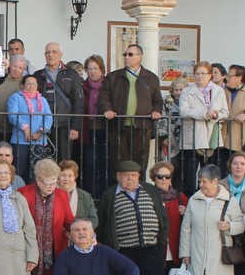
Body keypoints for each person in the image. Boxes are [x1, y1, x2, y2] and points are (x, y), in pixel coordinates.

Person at [97, 160, 169, 275]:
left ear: (139, 176)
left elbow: (162, 217)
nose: (130, 179)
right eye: (126, 176)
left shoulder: (150, 190)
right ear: (118, 177)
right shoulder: (109, 195)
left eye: (134, 176)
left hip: (151, 247)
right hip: (124, 250)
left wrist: (160, 242)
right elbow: (103, 223)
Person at [179, 164, 245, 275]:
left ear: (215, 181)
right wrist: (185, 253)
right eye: (200, 181)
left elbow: (241, 224)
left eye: (204, 181)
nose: (201, 185)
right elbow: (186, 228)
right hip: (198, 251)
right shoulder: (194, 200)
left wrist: (229, 226)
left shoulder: (229, 200)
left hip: (220, 252)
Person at [18, 159, 74, 275]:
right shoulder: (23, 194)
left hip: (53, 252)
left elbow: (69, 220)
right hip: (28, 252)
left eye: (54, 182)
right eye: (46, 183)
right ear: (38, 180)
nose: (51, 186)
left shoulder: (61, 196)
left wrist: (81, 231)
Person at [99, 43, 163, 174]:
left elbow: (158, 100)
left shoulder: (151, 78)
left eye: (130, 54)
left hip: (142, 127)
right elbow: (104, 97)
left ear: (140, 57)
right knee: (118, 162)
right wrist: (107, 110)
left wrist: (156, 111)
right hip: (118, 126)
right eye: (125, 54)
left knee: (140, 162)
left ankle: (139, 189)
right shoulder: (113, 77)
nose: (126, 57)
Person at [150, 160, 188, 275]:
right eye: (160, 177)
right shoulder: (149, 197)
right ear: (154, 178)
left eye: (167, 176)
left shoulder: (180, 198)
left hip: (175, 250)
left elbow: (191, 222)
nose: (164, 180)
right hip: (157, 250)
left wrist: (185, 213)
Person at [179, 61, 229, 190]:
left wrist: (215, 115)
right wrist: (204, 114)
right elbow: (184, 111)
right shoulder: (187, 91)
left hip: (212, 135)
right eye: (197, 73)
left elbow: (225, 112)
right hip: (193, 135)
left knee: (210, 172)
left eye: (203, 73)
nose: (200, 76)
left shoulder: (218, 91)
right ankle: (190, 198)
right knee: (190, 174)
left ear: (209, 75)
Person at [33, 42, 84, 162]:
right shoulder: (38, 75)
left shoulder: (72, 75)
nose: (50, 55)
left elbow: (79, 102)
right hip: (43, 126)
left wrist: (75, 127)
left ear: (61, 54)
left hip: (64, 124)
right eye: (47, 52)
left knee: (64, 160)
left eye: (54, 52)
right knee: (44, 159)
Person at [7, 74, 53, 182]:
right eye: (28, 83)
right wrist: (25, 128)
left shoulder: (42, 100)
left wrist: (41, 132)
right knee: (19, 170)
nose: (31, 86)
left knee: (36, 171)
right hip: (20, 141)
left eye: (33, 84)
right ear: (22, 85)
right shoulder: (16, 98)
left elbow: (48, 118)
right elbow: (13, 115)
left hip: (39, 141)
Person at [79, 54, 108, 196]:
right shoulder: (82, 86)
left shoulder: (108, 86)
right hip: (88, 129)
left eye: (95, 68)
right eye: (89, 68)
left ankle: (102, 195)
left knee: (104, 163)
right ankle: (90, 195)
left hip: (106, 129)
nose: (92, 72)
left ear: (101, 69)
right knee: (89, 164)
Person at [57, 159, 98, 228]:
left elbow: (94, 220)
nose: (66, 179)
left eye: (70, 176)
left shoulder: (85, 196)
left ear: (75, 177)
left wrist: (79, 228)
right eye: (63, 175)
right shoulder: (51, 194)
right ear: (58, 176)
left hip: (79, 236)